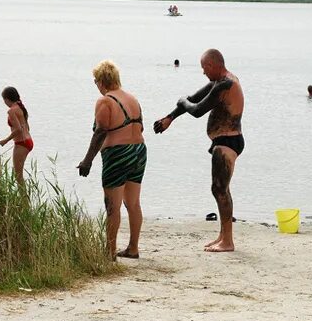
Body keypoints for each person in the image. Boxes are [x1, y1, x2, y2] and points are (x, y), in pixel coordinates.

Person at [153, 49, 244, 252]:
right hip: (223, 140)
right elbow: (196, 97)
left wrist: (182, 101)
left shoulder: (226, 84)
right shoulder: (218, 82)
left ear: (213, 65)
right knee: (219, 189)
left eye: (204, 68)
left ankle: (228, 241)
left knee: (220, 189)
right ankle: (223, 236)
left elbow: (197, 109)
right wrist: (170, 118)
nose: (203, 72)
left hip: (229, 141)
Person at [77, 60, 146, 260]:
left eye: (95, 81)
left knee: (112, 206)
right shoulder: (133, 99)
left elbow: (100, 131)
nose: (96, 85)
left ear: (102, 81)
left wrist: (87, 160)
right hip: (139, 151)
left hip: (117, 154)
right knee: (133, 203)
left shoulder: (105, 101)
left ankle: (109, 252)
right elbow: (140, 127)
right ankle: (133, 248)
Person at [0, 87, 33, 188]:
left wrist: (5, 140)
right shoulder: (20, 107)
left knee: (18, 176)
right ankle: (24, 201)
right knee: (19, 175)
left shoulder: (11, 111)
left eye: (4, 100)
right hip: (28, 141)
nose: (4, 102)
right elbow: (26, 127)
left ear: (7, 99)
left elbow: (18, 129)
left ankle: (25, 202)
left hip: (21, 143)